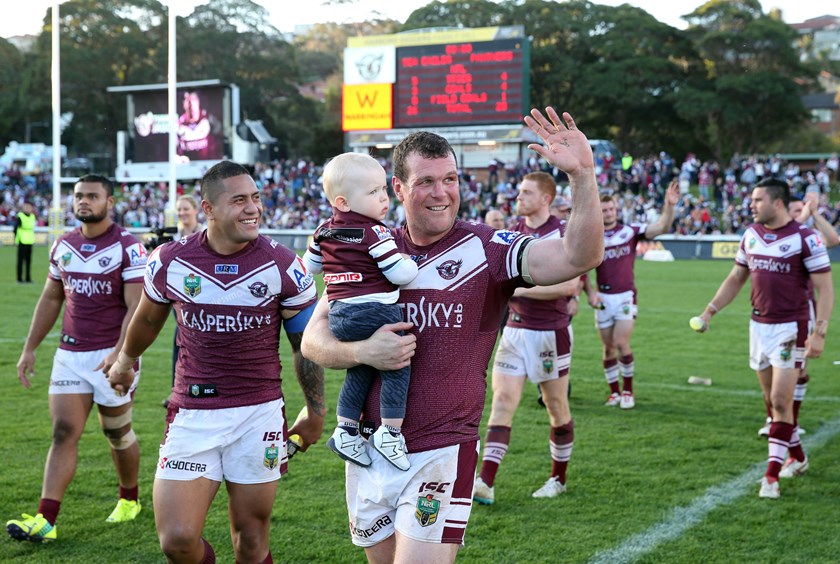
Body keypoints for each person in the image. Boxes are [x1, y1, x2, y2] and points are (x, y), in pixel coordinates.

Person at [301, 107, 603, 563]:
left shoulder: (488, 248)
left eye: (450, 179)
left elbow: (579, 256)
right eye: (426, 181)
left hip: (441, 450)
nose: (441, 192)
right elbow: (312, 340)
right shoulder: (369, 246)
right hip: (369, 449)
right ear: (398, 188)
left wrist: (582, 176)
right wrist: (363, 351)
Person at [106, 161, 324, 563]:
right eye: (239, 200)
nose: (253, 208)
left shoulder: (283, 265)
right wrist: (125, 360)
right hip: (192, 411)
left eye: (255, 198)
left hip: (257, 413)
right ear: (208, 209)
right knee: (177, 539)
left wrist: (315, 411)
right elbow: (148, 320)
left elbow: (304, 346)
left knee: (251, 540)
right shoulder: (171, 260)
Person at [8, 174, 147, 543]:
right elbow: (51, 298)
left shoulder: (129, 248)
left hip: (112, 354)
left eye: (92, 196)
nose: (84, 201)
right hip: (70, 354)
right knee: (62, 432)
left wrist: (121, 354)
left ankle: (129, 498)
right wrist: (29, 347)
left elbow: (136, 308)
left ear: (109, 202)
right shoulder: (63, 245)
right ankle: (46, 520)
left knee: (116, 433)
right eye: (79, 196)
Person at [695, 178, 833, 499]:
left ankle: (771, 477)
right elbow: (736, 277)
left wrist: (819, 332)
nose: (752, 205)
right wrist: (710, 311)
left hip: (791, 328)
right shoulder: (751, 235)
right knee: (772, 403)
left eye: (758, 200)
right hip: (758, 326)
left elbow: (825, 289)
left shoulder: (806, 238)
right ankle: (798, 457)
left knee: (782, 401)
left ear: (777, 203)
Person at [302, 153, 419, 470]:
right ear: (342, 201)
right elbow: (400, 274)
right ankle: (390, 433)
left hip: (340, 315)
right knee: (397, 363)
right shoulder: (375, 233)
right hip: (376, 310)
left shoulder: (322, 231)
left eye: (383, 190)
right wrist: (410, 262)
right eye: (373, 192)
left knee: (360, 369)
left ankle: (345, 431)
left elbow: (309, 267)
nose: (383, 198)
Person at [473, 171, 581, 505]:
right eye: (519, 192)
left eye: (526, 193)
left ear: (546, 198)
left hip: (550, 333)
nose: (518, 197)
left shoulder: (562, 234)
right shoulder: (513, 233)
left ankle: (558, 479)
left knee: (555, 405)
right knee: (502, 401)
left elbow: (568, 285)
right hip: (514, 330)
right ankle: (485, 482)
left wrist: (517, 288)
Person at [582, 180, 679, 409]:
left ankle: (628, 392)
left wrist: (669, 205)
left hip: (625, 296)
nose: (608, 213)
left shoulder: (629, 231)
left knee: (621, 342)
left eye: (611, 209)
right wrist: (591, 293)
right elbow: (581, 269)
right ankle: (614, 393)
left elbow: (662, 227)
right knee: (608, 348)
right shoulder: (593, 237)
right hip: (603, 299)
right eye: (604, 210)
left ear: (616, 210)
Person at [752, 195, 839, 443]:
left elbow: (834, 240)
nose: (802, 213)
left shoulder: (807, 237)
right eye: (796, 210)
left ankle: (791, 420)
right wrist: (805, 214)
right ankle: (773, 418)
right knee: (770, 371)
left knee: (799, 369)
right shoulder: (782, 234)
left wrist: (816, 215)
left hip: (803, 308)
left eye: (803, 209)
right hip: (773, 311)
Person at [162, 195, 205, 409]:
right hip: (179, 294)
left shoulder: (207, 233)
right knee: (182, 337)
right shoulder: (171, 236)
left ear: (196, 210)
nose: (182, 213)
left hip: (205, 295)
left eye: (186, 209)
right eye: (179, 209)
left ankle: (196, 388)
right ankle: (178, 390)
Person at [177, 91, 216, 161]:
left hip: (208, 164)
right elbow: (172, 151)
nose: (190, 104)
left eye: (193, 99)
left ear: (199, 101)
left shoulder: (209, 119)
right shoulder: (179, 123)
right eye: (187, 100)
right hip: (185, 165)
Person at [15, 200, 36, 283]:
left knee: (28, 261)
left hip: (30, 241)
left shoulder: (32, 216)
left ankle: (28, 278)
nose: (27, 208)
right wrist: (17, 238)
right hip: (22, 241)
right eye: (26, 206)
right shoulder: (20, 216)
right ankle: (19, 278)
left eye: (29, 207)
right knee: (20, 261)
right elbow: (15, 228)